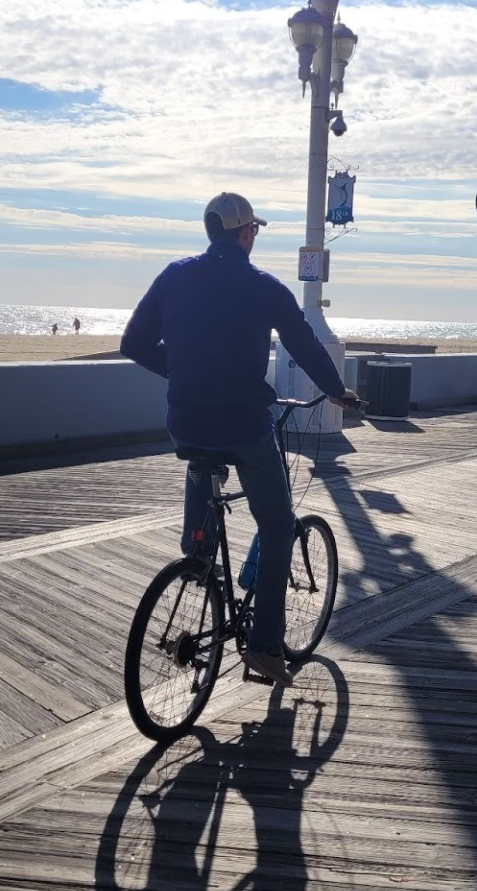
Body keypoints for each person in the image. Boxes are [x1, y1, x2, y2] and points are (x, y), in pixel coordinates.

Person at [121, 192, 359, 688]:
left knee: (202, 459)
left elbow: (133, 343)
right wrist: (337, 391)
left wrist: (180, 371)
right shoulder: (263, 286)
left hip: (186, 422)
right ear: (246, 234)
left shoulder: (174, 275)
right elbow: (304, 344)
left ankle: (197, 560)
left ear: (211, 232)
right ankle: (266, 647)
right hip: (243, 424)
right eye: (254, 230)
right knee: (277, 527)